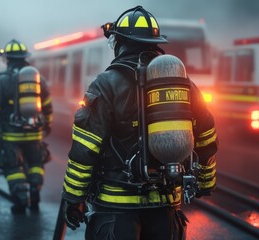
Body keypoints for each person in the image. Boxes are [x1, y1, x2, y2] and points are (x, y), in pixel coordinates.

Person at [61, 6, 218, 240]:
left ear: (119, 43)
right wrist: (206, 181)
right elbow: (206, 135)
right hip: (166, 210)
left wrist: (73, 199)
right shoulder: (182, 83)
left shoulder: (105, 84)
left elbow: (85, 149)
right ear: (155, 43)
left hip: (116, 210)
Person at [0, 39, 53, 213]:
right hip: (34, 134)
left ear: (7, 59)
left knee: (13, 167)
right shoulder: (38, 78)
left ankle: (21, 199)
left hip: (10, 135)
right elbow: (47, 104)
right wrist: (47, 124)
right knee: (36, 163)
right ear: (24, 57)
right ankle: (35, 190)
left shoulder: (3, 79)